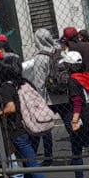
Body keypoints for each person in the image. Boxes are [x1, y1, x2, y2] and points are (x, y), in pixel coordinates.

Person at [0, 54, 46, 178]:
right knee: (28, 162)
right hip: (33, 125)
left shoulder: (6, 87)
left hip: (18, 128)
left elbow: (11, 108)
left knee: (31, 162)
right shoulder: (25, 83)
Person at [23, 28, 69, 166]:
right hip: (62, 95)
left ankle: (47, 155)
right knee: (68, 123)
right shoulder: (59, 52)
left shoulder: (40, 57)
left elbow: (39, 83)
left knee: (44, 127)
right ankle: (77, 150)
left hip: (48, 98)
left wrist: (39, 102)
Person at [60, 51, 89, 178]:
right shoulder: (87, 76)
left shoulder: (73, 80)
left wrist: (75, 119)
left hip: (83, 116)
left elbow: (77, 101)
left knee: (76, 150)